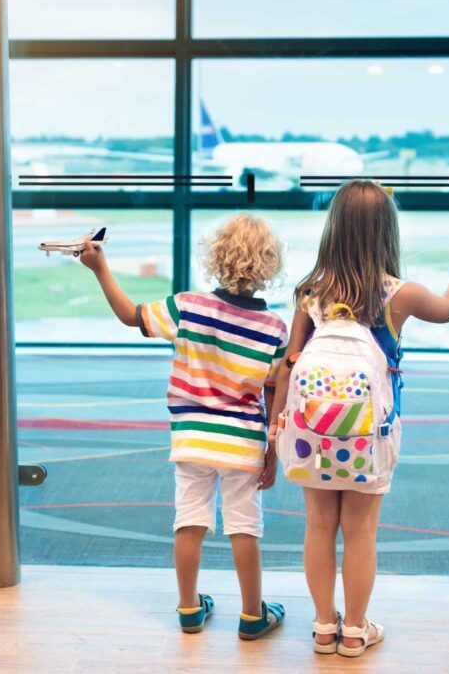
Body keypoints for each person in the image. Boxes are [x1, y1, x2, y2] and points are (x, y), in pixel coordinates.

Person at [266, 180, 449, 657]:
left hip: (311, 436)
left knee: (318, 526)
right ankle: (356, 629)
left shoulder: (311, 291)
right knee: (361, 530)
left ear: (334, 228)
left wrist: (275, 427)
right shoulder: (397, 294)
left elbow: (289, 362)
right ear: (387, 230)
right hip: (370, 436)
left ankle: (324, 627)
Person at [78, 213, 289, 640]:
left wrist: (101, 268)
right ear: (270, 265)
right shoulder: (274, 330)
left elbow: (129, 315)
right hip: (242, 442)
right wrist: (272, 452)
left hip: (192, 438)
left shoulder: (187, 306)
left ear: (216, 258)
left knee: (189, 520)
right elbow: (273, 394)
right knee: (244, 526)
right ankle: (252, 615)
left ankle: (189, 608)